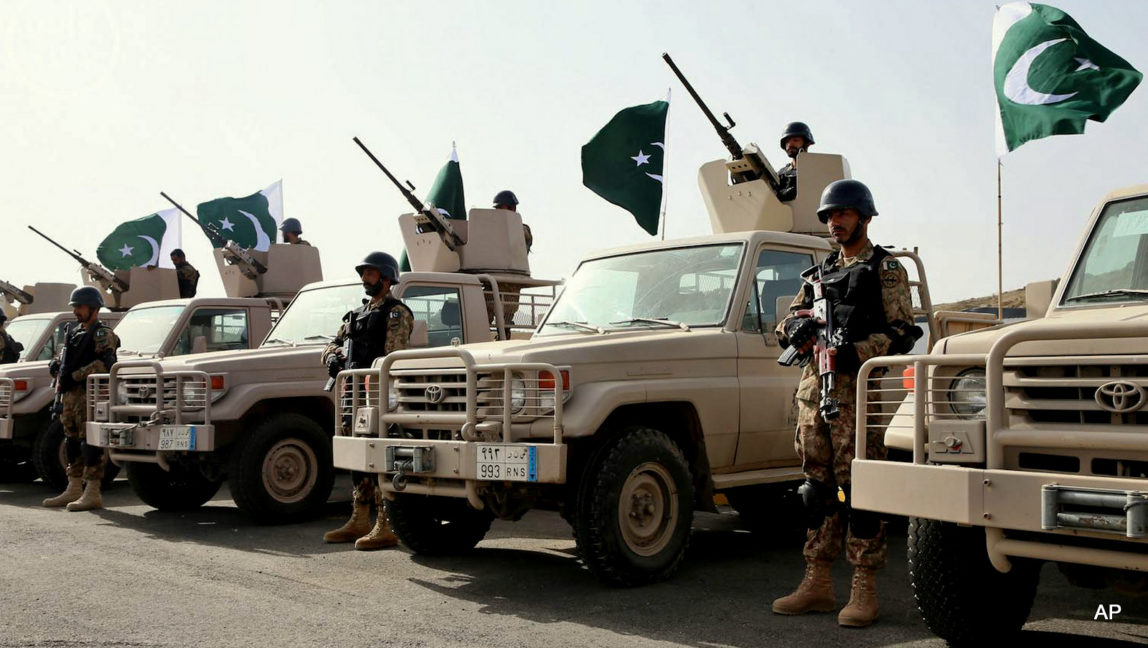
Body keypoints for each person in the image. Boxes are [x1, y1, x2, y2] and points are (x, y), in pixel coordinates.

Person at [772, 179, 918, 628]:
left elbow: (902, 332)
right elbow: (790, 321)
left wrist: (853, 351)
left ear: (864, 217)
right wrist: (792, 330)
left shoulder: (885, 268)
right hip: (814, 393)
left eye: (843, 214)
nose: (835, 222)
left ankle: (863, 589)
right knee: (817, 490)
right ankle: (817, 582)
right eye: (830, 216)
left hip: (858, 393)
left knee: (859, 491)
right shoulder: (818, 274)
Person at [321, 251, 413, 550]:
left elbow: (391, 357)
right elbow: (331, 344)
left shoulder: (396, 312)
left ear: (386, 278)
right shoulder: (354, 315)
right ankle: (359, 517)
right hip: (351, 393)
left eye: (371, 274)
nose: (365, 278)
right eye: (364, 274)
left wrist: (365, 377)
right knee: (355, 455)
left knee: (377, 455)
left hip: (377, 393)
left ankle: (386, 524)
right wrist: (333, 357)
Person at [42, 286, 120, 511]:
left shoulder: (102, 334)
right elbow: (63, 360)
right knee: (72, 441)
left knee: (90, 443)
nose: (76, 311)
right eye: (74, 307)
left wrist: (76, 375)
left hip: (89, 395)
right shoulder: (74, 333)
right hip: (70, 396)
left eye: (80, 307)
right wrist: (56, 366)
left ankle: (93, 491)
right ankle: (74, 487)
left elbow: (107, 363)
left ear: (93, 308)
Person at [491, 190, 531, 335]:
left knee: (505, 321)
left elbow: (521, 235)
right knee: (483, 318)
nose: (497, 213)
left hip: (510, 283)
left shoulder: (522, 229)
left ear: (512, 208)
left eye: (501, 208)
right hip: (491, 280)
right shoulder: (490, 229)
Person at [777, 122, 814, 202]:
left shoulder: (815, 169)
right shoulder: (781, 174)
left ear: (807, 143)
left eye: (795, 140)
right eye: (787, 141)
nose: (790, 144)